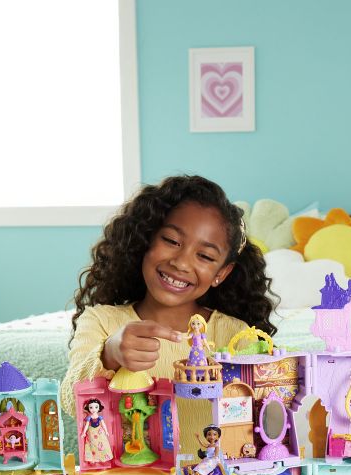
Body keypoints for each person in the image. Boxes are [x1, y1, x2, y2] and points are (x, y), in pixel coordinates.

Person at [61, 176, 277, 441]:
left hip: (211, 467)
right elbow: (70, 402)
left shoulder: (236, 335)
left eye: (205, 256)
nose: (181, 263)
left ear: (221, 273)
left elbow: (265, 413)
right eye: (172, 241)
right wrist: (109, 356)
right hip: (129, 468)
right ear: (146, 239)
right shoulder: (100, 321)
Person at [81, 398, 113, 464]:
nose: (93, 409)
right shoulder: (89, 418)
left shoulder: (100, 417)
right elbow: (86, 425)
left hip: (99, 430)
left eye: (96, 407)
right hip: (91, 431)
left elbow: (103, 424)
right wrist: (84, 432)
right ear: (88, 408)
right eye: (91, 407)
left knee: (103, 443)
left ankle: (103, 458)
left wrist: (106, 431)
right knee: (92, 444)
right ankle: (94, 459)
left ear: (99, 408)